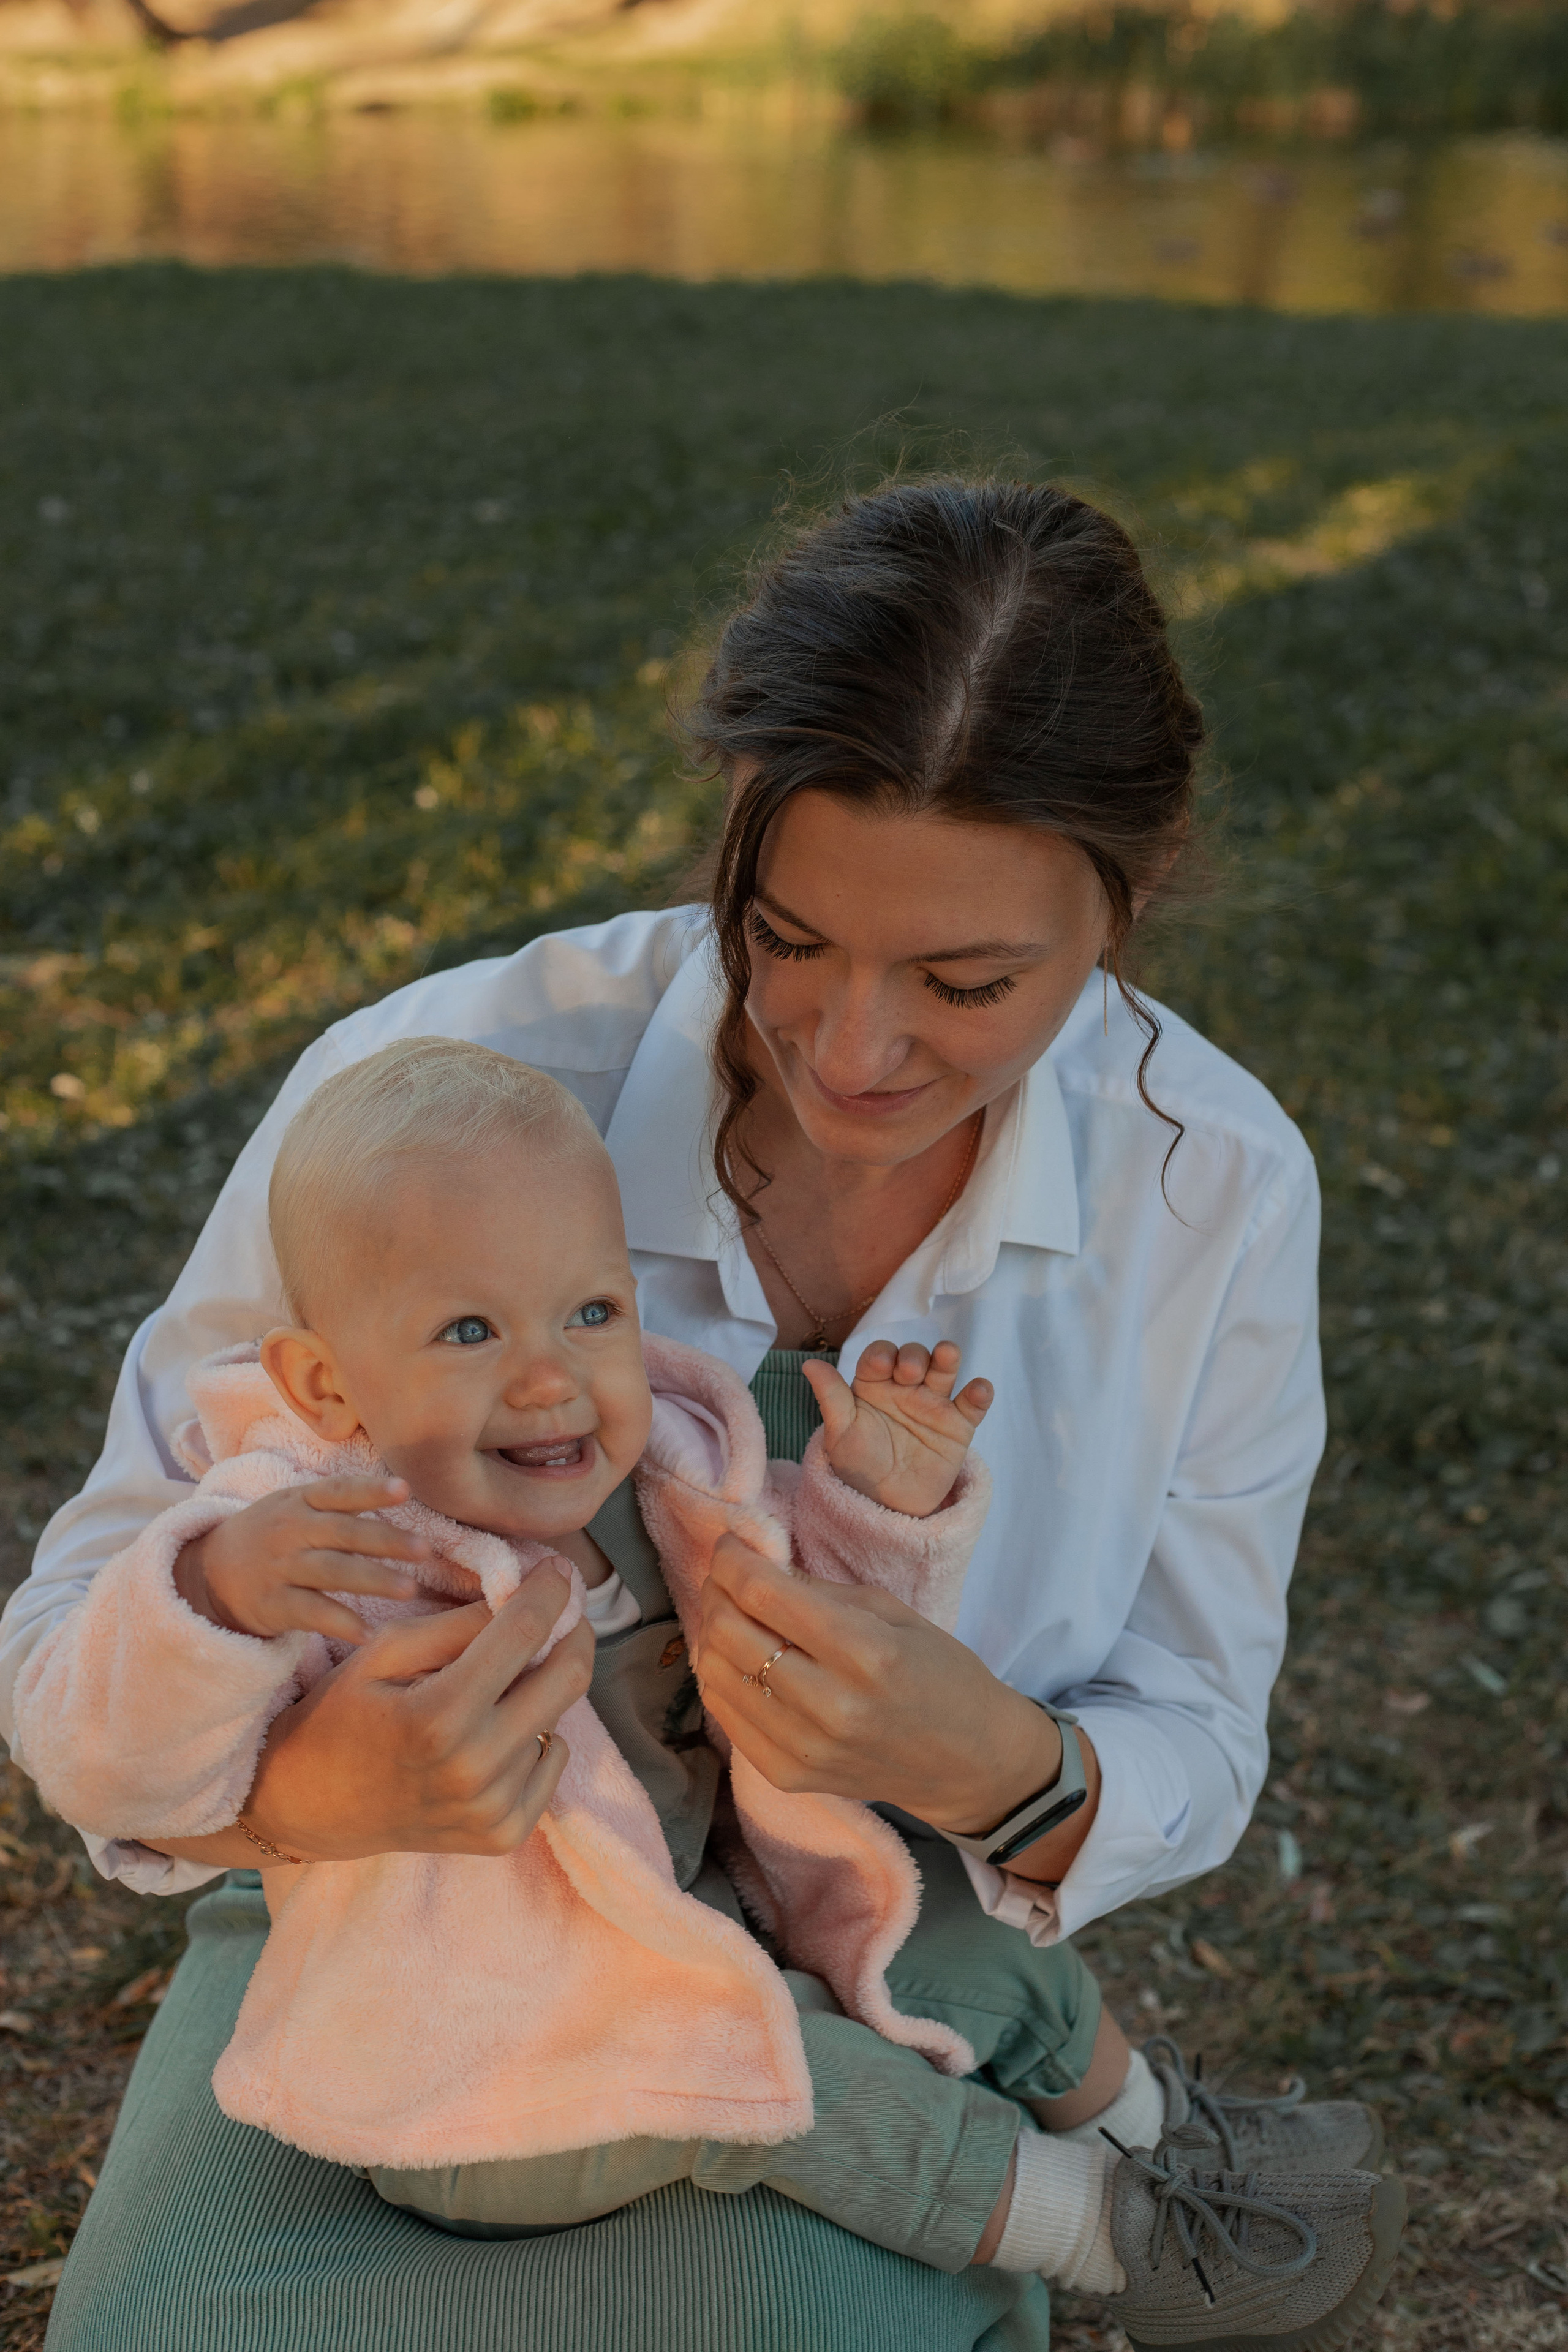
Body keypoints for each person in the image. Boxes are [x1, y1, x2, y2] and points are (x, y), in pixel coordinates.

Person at [2, 479, 1400, 2351]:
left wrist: (999, 1763)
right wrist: (314, 1788)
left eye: (968, 983)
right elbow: (79, 1632)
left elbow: (1196, 1731)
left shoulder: (1208, 1192)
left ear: (1125, 910)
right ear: (734, 825)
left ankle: (1086, 2166)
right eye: (792, 936)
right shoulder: (431, 1107)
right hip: (394, 1939)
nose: (850, 1050)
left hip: (860, 1940)